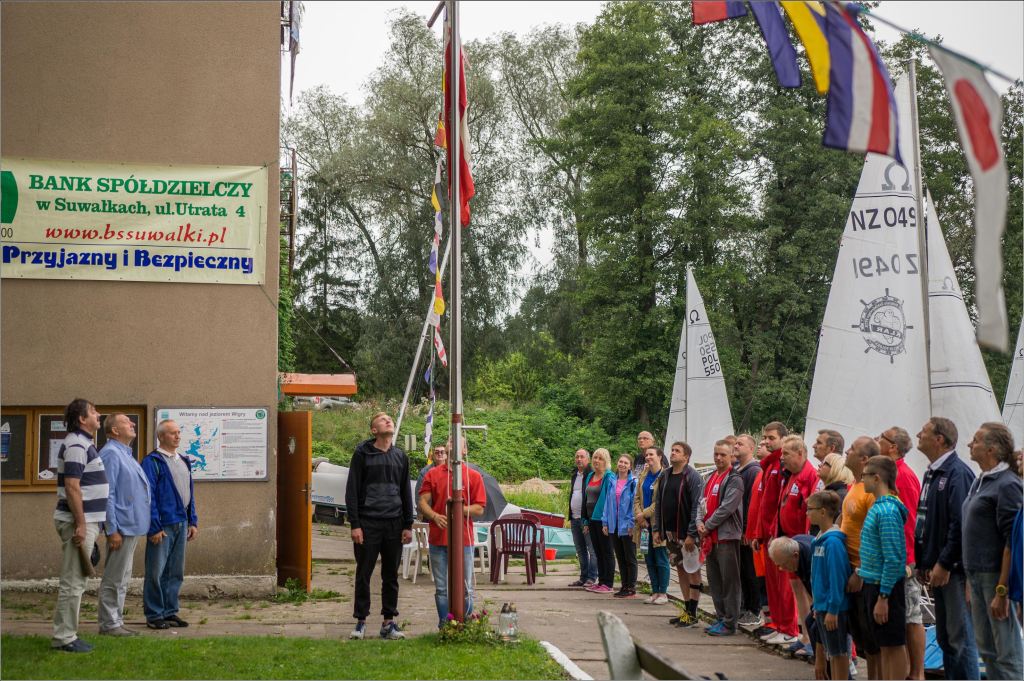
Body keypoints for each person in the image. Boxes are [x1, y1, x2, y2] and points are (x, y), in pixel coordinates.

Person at [914, 417, 979, 680]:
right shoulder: (932, 473)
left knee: (960, 639)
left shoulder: (957, 473)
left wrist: (944, 563)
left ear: (939, 439)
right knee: (945, 638)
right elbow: (926, 522)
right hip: (935, 568)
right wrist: (923, 562)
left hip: (952, 571)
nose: (918, 435)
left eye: (924, 432)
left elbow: (960, 524)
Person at [962, 423, 1023, 680]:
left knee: (1007, 651)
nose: (969, 444)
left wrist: (1002, 590)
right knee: (987, 650)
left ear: (991, 449)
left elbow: (1013, 540)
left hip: (995, 576)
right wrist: (969, 577)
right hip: (977, 574)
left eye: (975, 440)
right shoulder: (980, 481)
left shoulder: (1007, 484)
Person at [345, 412, 414, 640]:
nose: (388, 420)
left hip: (394, 523)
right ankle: (360, 621)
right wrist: (355, 524)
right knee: (364, 573)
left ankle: (388, 623)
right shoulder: (362, 454)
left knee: (391, 575)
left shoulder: (400, 456)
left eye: (389, 419)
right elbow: (352, 490)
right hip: (368, 523)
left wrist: (408, 524)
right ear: (374, 430)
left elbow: (405, 492)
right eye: (382, 420)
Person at [51, 398, 108, 653]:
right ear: (82, 419)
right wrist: (82, 524)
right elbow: (72, 487)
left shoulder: (84, 443)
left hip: (86, 522)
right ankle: (64, 638)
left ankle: (68, 634)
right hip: (77, 522)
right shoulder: (76, 444)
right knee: (73, 581)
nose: (99, 415)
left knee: (77, 580)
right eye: (94, 412)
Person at [419, 440, 486, 628]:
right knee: (441, 587)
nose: (453, 443)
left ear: (465, 450)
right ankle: (445, 626)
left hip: (464, 540)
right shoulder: (432, 474)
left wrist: (459, 509)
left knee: (466, 587)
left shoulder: (473, 476)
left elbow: (480, 508)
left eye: (458, 442)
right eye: (451, 440)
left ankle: (465, 625)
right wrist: (434, 515)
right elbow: (422, 502)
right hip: (438, 539)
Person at [877, 426, 924, 680]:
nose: (877, 440)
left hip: (904, 558)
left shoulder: (902, 476)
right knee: (901, 617)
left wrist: (905, 558)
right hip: (895, 556)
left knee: (911, 616)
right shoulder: (893, 473)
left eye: (881, 438)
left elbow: (908, 520)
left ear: (893, 447)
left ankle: (916, 673)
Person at [855, 456, 909, 680]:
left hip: (884, 587)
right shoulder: (878, 507)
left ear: (876, 478)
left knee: (892, 645)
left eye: (864, 476)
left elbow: (894, 558)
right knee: (883, 645)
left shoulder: (886, 511)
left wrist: (884, 596)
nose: (862, 480)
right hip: (873, 584)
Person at [142, 419, 198, 631]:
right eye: (173, 433)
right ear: (161, 436)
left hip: (181, 523)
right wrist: (154, 527)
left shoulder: (183, 460)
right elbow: (148, 496)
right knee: (156, 571)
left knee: (175, 571)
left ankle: (169, 611)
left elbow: (189, 492)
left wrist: (192, 520)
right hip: (163, 525)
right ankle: (154, 614)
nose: (178, 436)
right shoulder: (153, 461)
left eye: (178, 432)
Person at [97, 413, 149, 637]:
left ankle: (116, 621)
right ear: (115, 430)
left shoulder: (124, 453)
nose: (133, 423)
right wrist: (112, 529)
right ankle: (109, 624)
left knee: (123, 577)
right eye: (127, 422)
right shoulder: (111, 453)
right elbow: (107, 494)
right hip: (121, 526)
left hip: (131, 525)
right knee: (115, 577)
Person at [752, 422, 799, 647]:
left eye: (771, 438)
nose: (766, 441)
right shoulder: (770, 465)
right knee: (773, 585)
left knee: (784, 586)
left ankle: (789, 628)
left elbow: (781, 503)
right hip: (770, 534)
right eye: (765, 437)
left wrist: (775, 532)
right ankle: (779, 625)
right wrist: (760, 533)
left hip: (780, 535)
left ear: (783, 438)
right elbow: (765, 504)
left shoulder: (782, 466)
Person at [776, 435, 819, 656]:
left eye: (786, 453)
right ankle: (805, 636)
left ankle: (814, 639)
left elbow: (811, 511)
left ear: (800, 453)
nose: (782, 458)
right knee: (797, 591)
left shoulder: (809, 475)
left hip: (802, 546)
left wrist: (804, 541)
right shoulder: (791, 475)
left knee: (808, 593)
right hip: (791, 544)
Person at [653, 441, 703, 626]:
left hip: (687, 533)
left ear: (686, 456)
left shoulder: (693, 477)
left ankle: (693, 613)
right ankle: (686, 609)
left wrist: (691, 534)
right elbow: (659, 502)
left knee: (693, 570)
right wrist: (657, 529)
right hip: (670, 533)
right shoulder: (665, 475)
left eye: (677, 451)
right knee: (681, 569)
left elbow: (697, 506)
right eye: (672, 450)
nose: (672, 453)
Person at [697, 440, 745, 636]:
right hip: (710, 538)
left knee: (730, 582)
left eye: (723, 455)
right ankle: (720, 617)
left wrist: (707, 525)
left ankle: (730, 622)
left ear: (731, 456)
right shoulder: (710, 477)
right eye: (716, 454)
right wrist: (699, 522)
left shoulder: (734, 479)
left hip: (726, 537)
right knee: (715, 580)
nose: (718, 458)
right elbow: (701, 503)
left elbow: (727, 508)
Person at [841, 436, 879, 677]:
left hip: (864, 575)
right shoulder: (854, 485)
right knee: (863, 640)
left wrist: (860, 571)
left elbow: (874, 534)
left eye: (852, 449)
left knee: (873, 642)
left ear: (864, 459)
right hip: (850, 569)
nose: (847, 451)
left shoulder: (870, 490)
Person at [807, 491, 852, 681]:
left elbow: (837, 578)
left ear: (823, 512)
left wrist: (833, 609)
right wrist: (818, 606)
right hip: (822, 606)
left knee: (839, 653)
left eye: (810, 509)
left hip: (834, 609)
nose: (807, 513)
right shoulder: (819, 539)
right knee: (831, 652)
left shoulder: (832, 543)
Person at [734, 434, 764, 628]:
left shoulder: (754, 471)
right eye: (735, 443)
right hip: (737, 530)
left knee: (750, 572)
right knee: (742, 572)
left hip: (746, 532)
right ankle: (743, 607)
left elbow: (752, 502)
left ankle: (754, 610)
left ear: (751, 448)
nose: (735, 446)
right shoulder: (737, 469)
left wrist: (748, 529)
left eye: (740, 444)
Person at [636, 446, 670, 605]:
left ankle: (663, 592)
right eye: (646, 455)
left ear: (660, 456)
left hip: (658, 524)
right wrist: (639, 516)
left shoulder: (665, 475)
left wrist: (644, 514)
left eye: (651, 454)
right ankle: (654, 591)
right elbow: (636, 498)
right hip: (643, 525)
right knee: (648, 557)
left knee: (661, 558)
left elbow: (661, 501)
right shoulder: (644, 474)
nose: (648, 457)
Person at [604, 454, 639, 598]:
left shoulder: (633, 482)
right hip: (614, 524)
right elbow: (607, 503)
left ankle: (631, 587)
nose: (622, 464)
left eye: (626, 463)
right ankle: (624, 586)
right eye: (620, 462)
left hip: (627, 525)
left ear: (630, 466)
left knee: (630, 557)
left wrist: (632, 523)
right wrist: (605, 522)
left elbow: (634, 504)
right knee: (620, 557)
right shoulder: (612, 481)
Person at [582, 448, 616, 594]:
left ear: (606, 461)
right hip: (591, 519)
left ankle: (608, 583)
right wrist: (585, 520)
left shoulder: (609, 477)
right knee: (598, 552)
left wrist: (605, 521)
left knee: (607, 551)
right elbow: (585, 499)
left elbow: (609, 500)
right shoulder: (590, 475)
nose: (597, 461)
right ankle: (601, 581)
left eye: (600, 458)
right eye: (595, 457)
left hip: (603, 520)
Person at [568, 449, 598, 588]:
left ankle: (592, 577)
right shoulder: (575, 474)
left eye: (582, 457)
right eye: (577, 457)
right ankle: (583, 577)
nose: (579, 459)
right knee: (580, 549)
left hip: (586, 518)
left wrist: (588, 518)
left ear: (588, 459)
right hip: (574, 517)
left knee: (591, 549)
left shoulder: (591, 474)